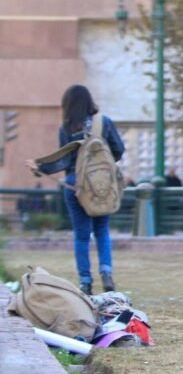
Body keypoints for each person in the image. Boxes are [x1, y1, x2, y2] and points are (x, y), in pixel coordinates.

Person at [25, 84, 124, 295]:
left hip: (75, 185)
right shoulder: (103, 123)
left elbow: (64, 160)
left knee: (81, 235)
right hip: (101, 186)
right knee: (102, 231)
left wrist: (40, 167)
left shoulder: (67, 128)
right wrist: (101, 167)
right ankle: (106, 272)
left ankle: (85, 281)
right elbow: (119, 150)